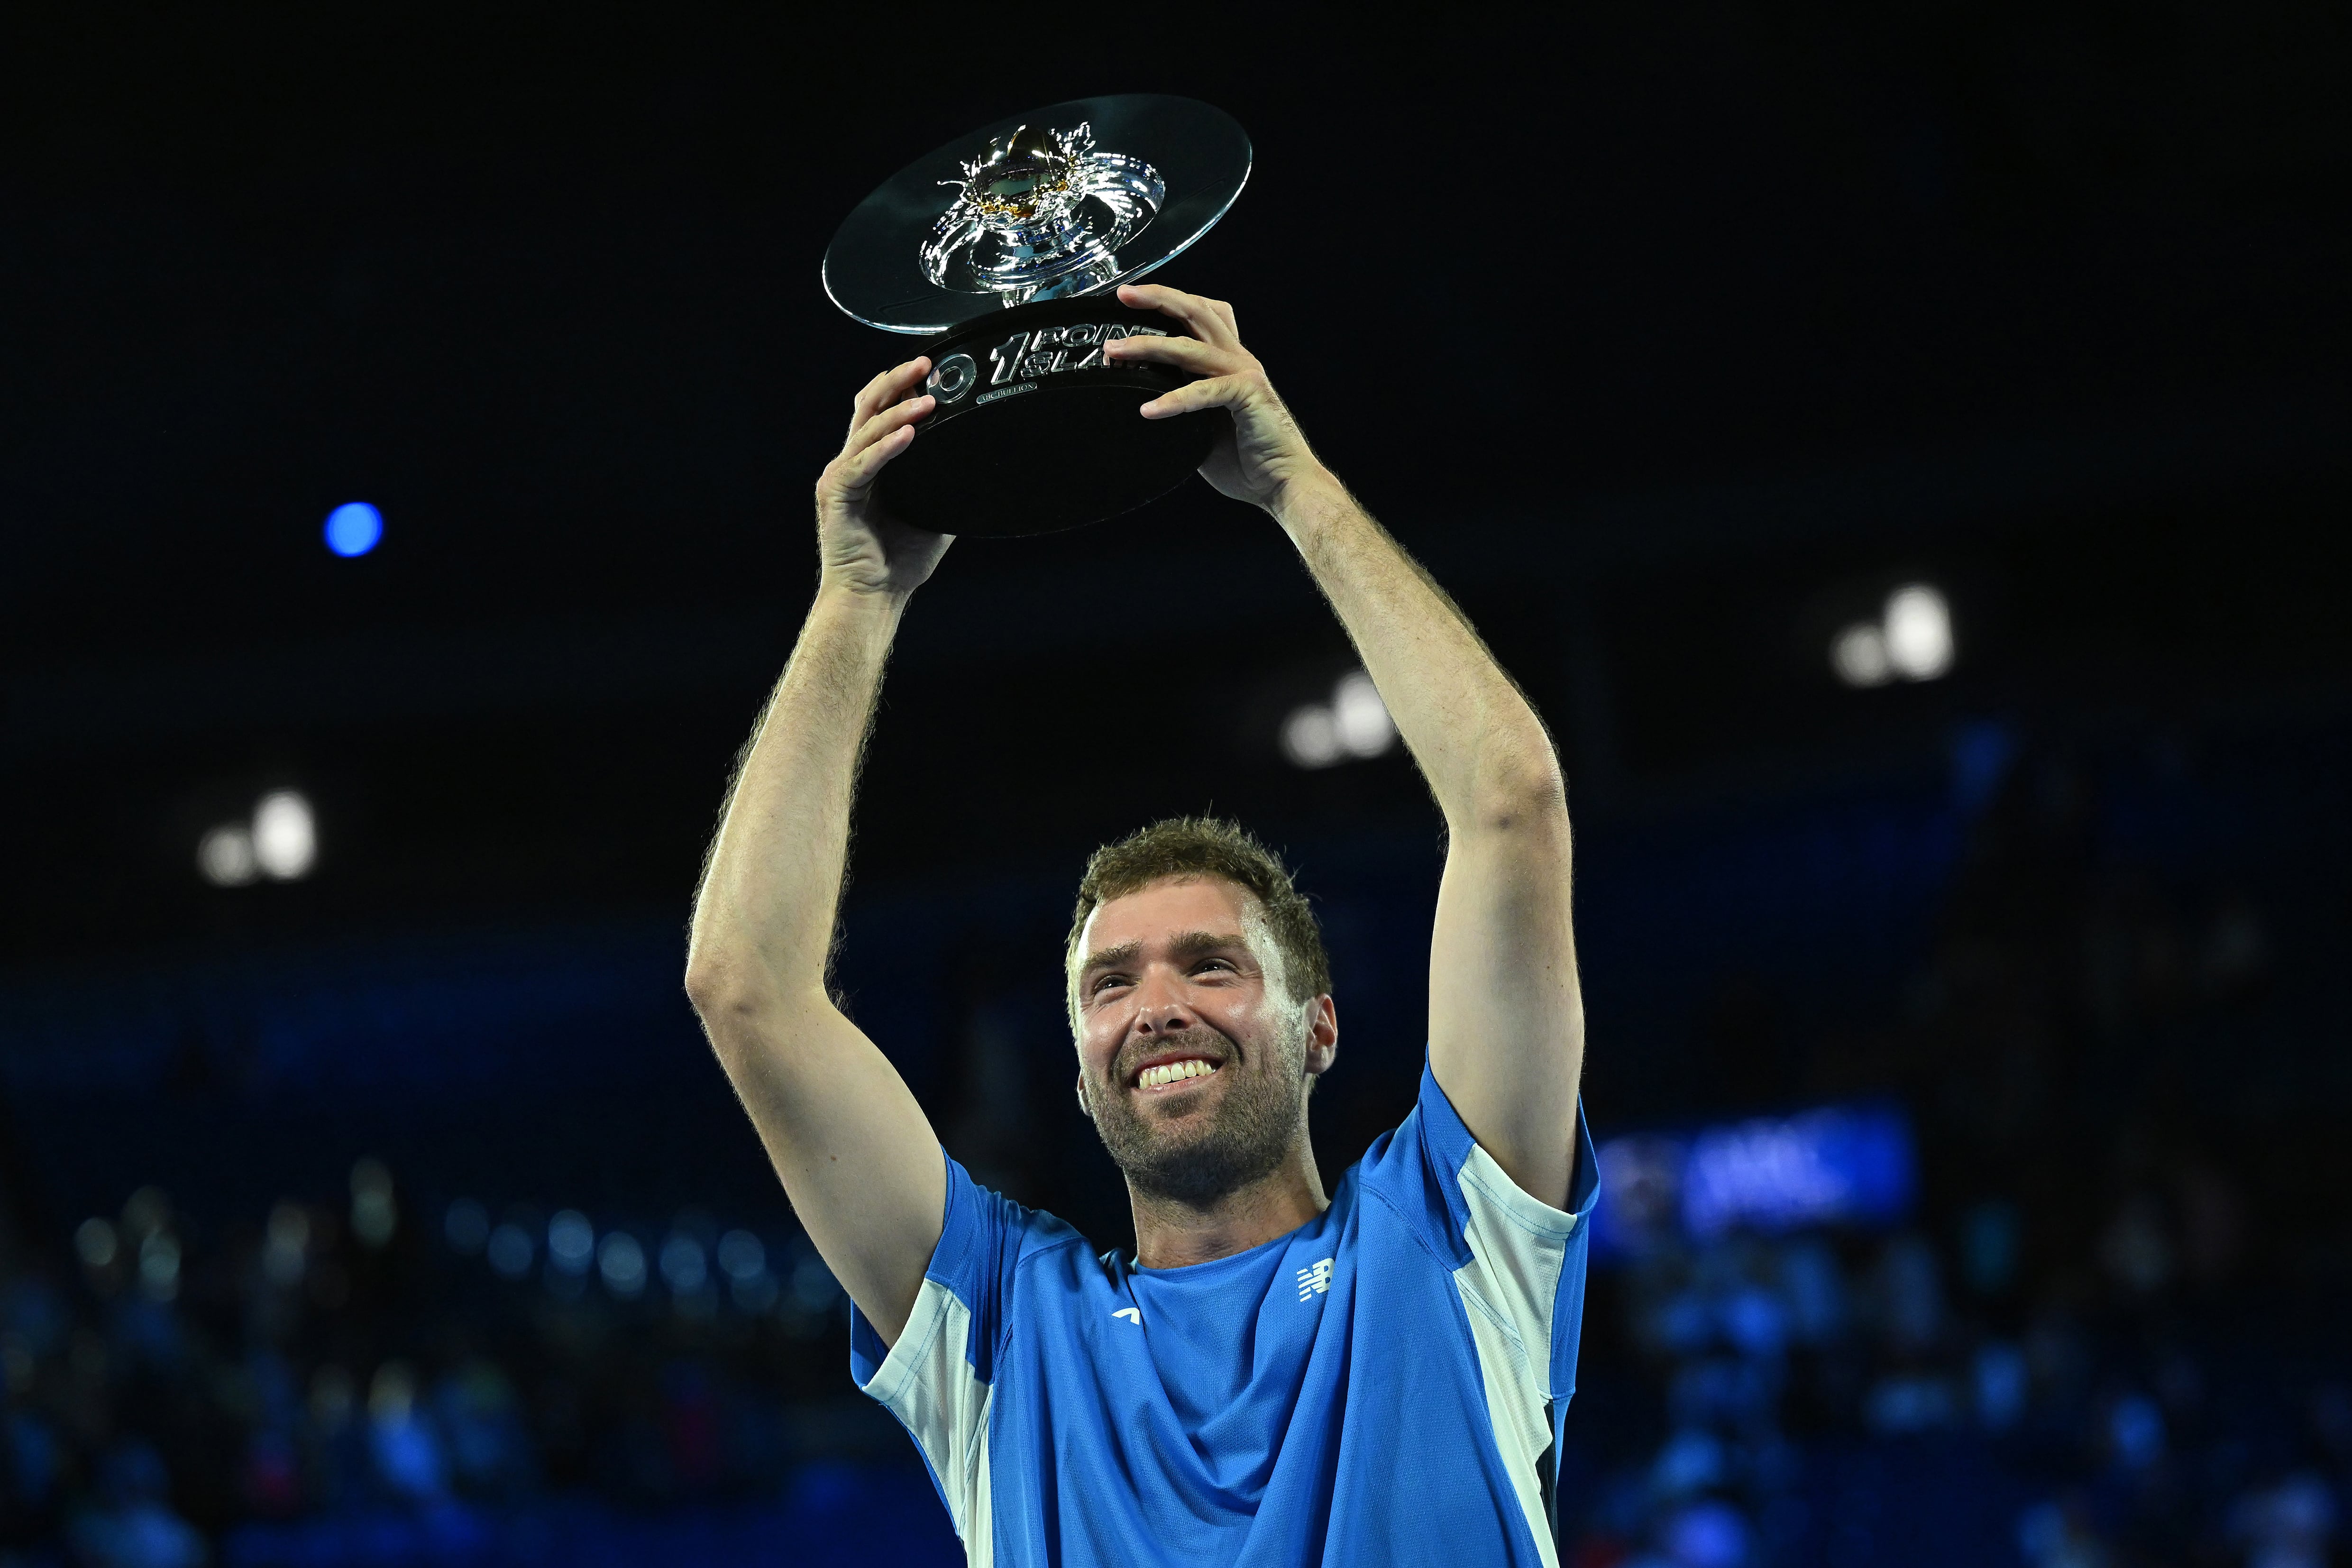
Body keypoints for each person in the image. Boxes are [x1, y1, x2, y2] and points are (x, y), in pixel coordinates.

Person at [685, 284, 1596, 1566]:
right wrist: (857, 594)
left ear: (1319, 1026)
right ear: (1077, 1067)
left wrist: (1295, 488)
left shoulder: (1454, 1237)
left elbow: (1511, 807)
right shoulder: (1001, 1324)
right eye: (1108, 984)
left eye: (1210, 965)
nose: (1157, 1006)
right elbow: (745, 988)